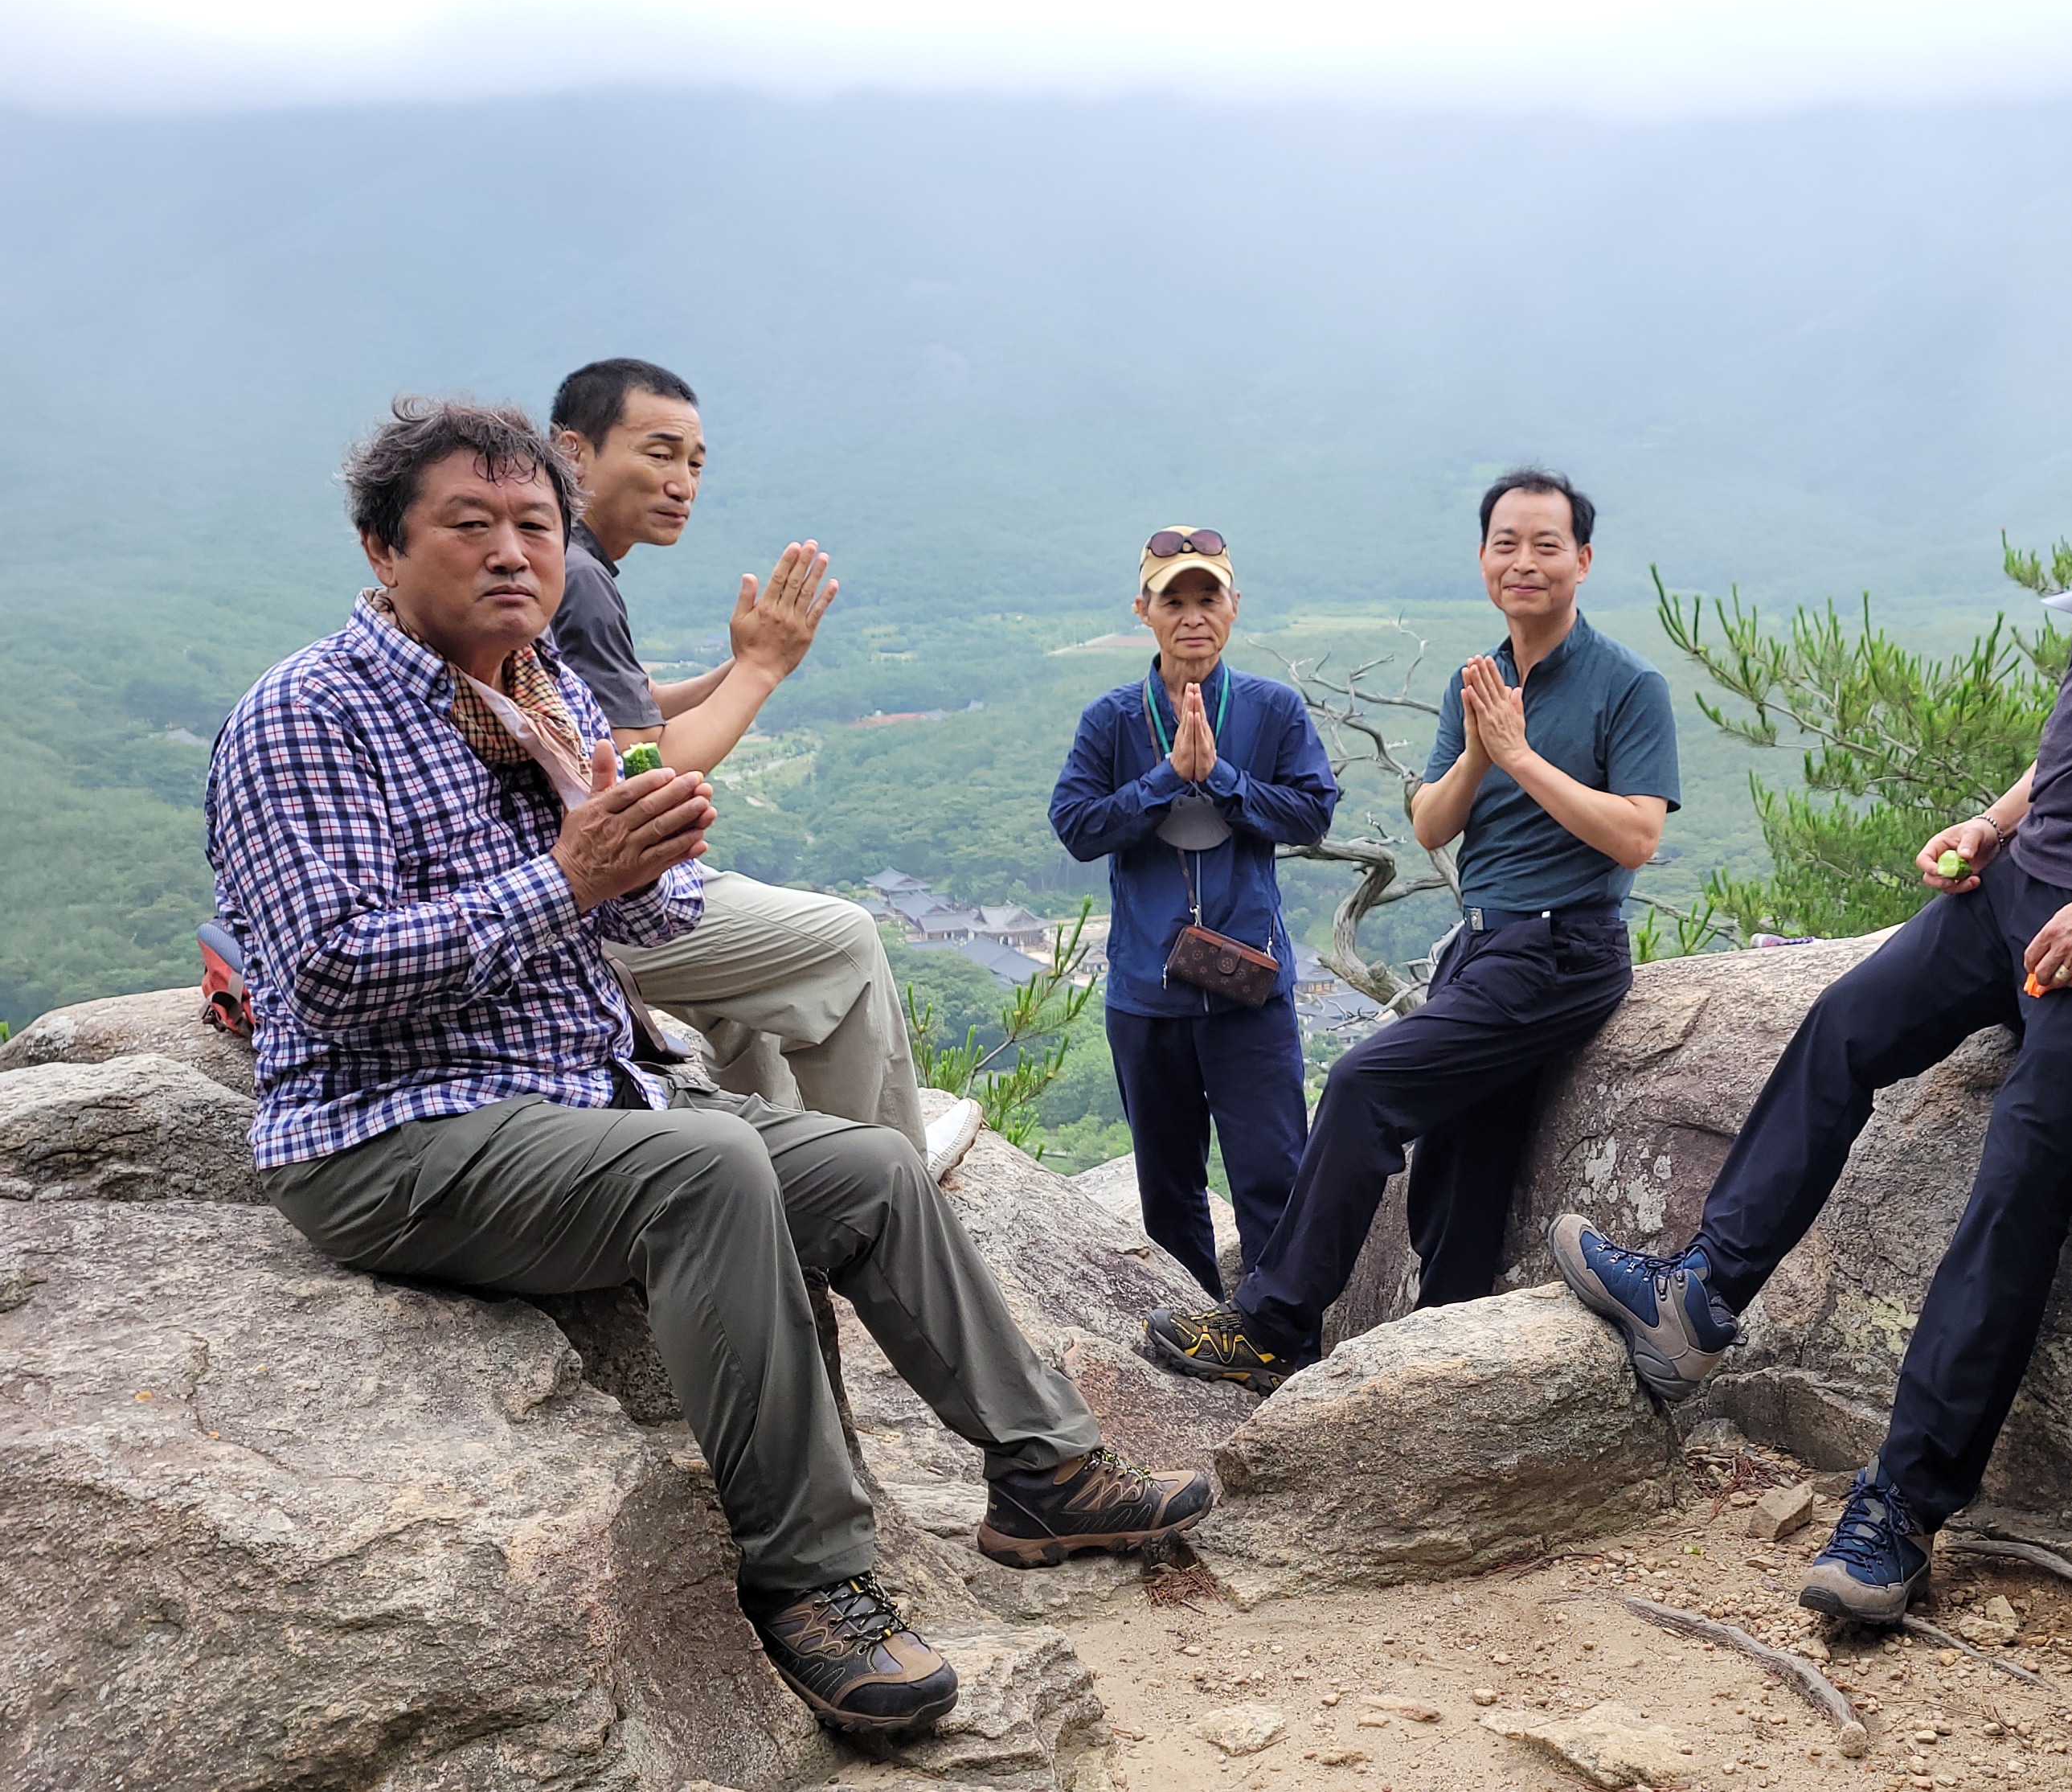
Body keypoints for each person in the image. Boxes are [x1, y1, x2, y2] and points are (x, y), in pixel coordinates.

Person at [210, 400, 1213, 1737]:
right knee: (711, 1166)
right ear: (381, 548)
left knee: (872, 1169)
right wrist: (568, 876)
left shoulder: (535, 694)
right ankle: (812, 1579)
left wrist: (649, 859)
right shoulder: (305, 716)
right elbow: (329, 972)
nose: (512, 553)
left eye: (535, 526)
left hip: (573, 1095)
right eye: (470, 524)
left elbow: (642, 919)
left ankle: (1045, 1473)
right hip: (392, 1129)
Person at [1550, 267, 2072, 1622]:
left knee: (2018, 1182)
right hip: (2028, 880)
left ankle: (1901, 1510)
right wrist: (1996, 819)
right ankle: (1701, 1296)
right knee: (1845, 1023)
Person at [1142, 470, 1680, 1392]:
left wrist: (1520, 756)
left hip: (1562, 948)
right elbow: (1432, 823)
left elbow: (1637, 835)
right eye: (1505, 543)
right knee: (1459, 1169)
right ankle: (1444, 1369)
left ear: (1583, 560)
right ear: (1483, 559)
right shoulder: (1480, 680)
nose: (1523, 561)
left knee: (1363, 1086)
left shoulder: (1627, 684)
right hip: (1485, 945)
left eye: (1546, 545)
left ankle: (1271, 1327)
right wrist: (1481, 750)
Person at [545, 359, 944, 1166]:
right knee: (843, 945)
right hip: (579, 902)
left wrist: (742, 664)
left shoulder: (564, 560)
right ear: (572, 452)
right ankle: (886, 1186)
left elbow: (625, 709)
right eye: (660, 453)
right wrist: (762, 670)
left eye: (695, 464)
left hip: (559, 884)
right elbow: (648, 775)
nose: (682, 483)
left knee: (752, 978)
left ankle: (790, 1168)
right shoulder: (577, 575)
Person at [1048, 527, 1340, 1300]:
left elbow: (1313, 814)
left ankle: (1282, 1340)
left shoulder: (1272, 710)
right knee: (1168, 1190)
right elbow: (1076, 826)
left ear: (1234, 606)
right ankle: (1190, 1331)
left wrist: (1225, 780)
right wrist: (1166, 779)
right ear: (1143, 611)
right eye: (1172, 600)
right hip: (1148, 994)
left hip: (1251, 990)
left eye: (1207, 597)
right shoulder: (1113, 719)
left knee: (1274, 1178)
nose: (1192, 616)